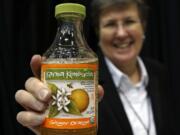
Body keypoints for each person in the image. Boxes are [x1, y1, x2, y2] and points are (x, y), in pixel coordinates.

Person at [15, 0, 174, 135]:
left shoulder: (162, 74)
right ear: (98, 32)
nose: (121, 33)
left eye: (129, 21)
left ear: (144, 27)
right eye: (110, 24)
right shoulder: (88, 77)